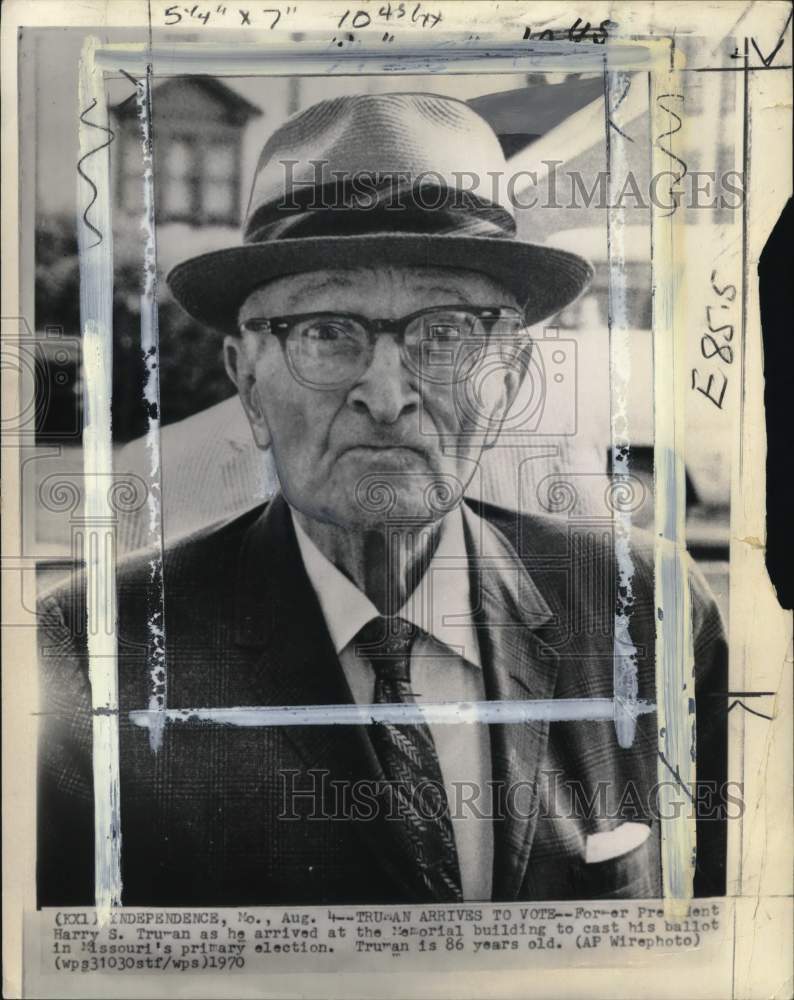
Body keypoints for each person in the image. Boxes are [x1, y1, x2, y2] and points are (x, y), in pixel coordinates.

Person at [38, 92, 727, 906]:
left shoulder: (650, 611)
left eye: (445, 332)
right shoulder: (94, 650)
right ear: (247, 382)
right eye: (327, 330)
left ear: (509, 378)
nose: (388, 392)